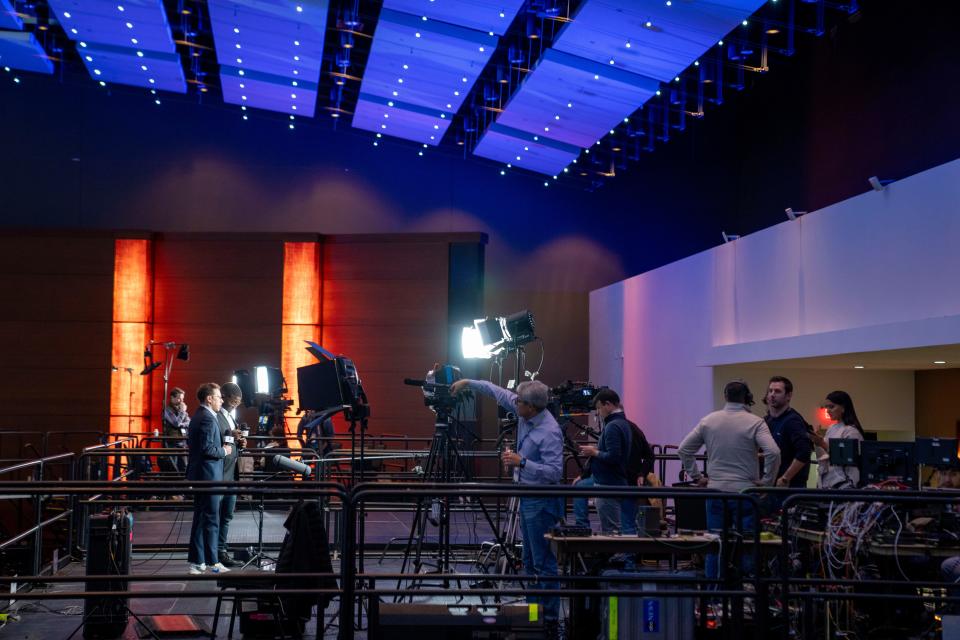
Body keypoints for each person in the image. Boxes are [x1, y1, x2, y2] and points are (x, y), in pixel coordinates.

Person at [450, 377, 564, 627]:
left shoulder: (550, 432)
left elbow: (555, 472)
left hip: (542, 501)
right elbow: (497, 392)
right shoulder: (525, 409)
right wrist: (468, 382)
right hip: (527, 495)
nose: (514, 404)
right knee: (531, 561)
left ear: (531, 407)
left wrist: (521, 462)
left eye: (519, 402)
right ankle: (535, 617)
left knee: (543, 563)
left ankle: (550, 621)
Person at [677, 380, 780, 580]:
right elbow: (774, 452)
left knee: (716, 544)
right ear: (747, 398)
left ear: (725, 397)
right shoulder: (756, 422)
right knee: (748, 543)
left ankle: (715, 596)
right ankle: (747, 595)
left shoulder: (709, 420)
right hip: (745, 494)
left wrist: (697, 477)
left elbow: (684, 450)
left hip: (716, 491)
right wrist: (768, 481)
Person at [578, 388, 654, 535]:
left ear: (608, 405)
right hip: (618, 480)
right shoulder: (623, 424)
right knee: (624, 526)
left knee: (613, 531)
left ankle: (621, 557)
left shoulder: (613, 426)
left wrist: (594, 452)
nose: (598, 413)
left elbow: (614, 456)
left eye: (599, 408)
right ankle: (626, 556)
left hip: (609, 483)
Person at [185, 382, 232, 575]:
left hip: (203, 475)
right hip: (208, 476)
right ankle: (211, 563)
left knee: (203, 518)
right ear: (209, 398)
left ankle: (201, 561)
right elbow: (207, 449)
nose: (222, 400)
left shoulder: (201, 416)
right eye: (219, 396)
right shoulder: (206, 418)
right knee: (210, 519)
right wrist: (224, 450)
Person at [215, 382, 246, 568]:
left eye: (237, 403)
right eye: (233, 402)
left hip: (231, 474)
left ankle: (221, 550)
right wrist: (230, 438)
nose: (234, 405)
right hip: (220, 474)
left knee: (227, 516)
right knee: (216, 516)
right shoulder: (216, 416)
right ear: (224, 396)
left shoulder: (230, 417)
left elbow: (229, 441)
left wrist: (239, 443)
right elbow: (216, 440)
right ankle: (216, 552)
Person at [763, 377, 812, 491]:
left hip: (789, 487)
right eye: (770, 391)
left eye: (777, 391)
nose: (772, 395)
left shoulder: (793, 421)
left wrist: (786, 478)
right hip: (770, 483)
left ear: (788, 396)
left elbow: (804, 452)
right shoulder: (767, 420)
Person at [810, 390, 864, 489]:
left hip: (844, 482)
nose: (828, 410)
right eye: (827, 407)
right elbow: (823, 457)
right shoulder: (831, 428)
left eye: (831, 407)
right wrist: (817, 443)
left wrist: (822, 444)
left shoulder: (851, 431)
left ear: (843, 408)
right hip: (827, 481)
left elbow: (847, 458)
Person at [161, 387, 190, 473]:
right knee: (174, 468)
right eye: (179, 398)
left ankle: (183, 485)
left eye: (182, 399)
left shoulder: (181, 409)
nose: (181, 401)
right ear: (172, 398)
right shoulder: (167, 410)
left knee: (184, 467)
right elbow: (176, 423)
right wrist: (182, 412)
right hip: (172, 443)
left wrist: (181, 424)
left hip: (182, 442)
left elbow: (189, 422)